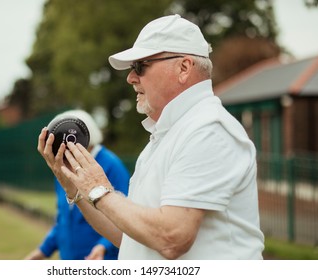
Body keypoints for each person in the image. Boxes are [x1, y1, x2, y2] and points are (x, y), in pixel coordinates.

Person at [37, 14, 264, 260]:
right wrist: (76, 187)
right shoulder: (170, 132)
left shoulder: (208, 129)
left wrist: (99, 189)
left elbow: (171, 238)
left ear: (184, 68)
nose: (131, 77)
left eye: (140, 66)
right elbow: (130, 237)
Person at [27, 109, 130, 260]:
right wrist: (43, 251)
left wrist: (104, 246)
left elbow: (125, 216)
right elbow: (63, 217)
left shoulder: (110, 165)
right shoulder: (64, 165)